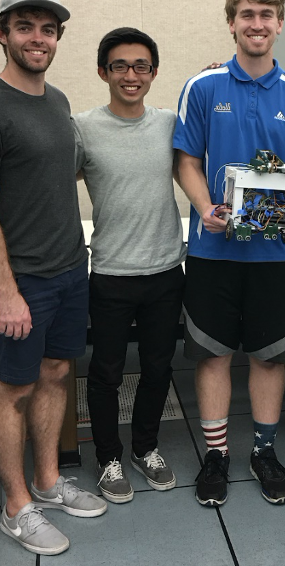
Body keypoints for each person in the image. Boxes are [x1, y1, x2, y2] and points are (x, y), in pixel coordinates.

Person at [0, 0, 106, 556]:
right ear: (2, 33)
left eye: (47, 28)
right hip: (24, 282)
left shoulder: (57, 101)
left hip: (69, 268)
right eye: (25, 27)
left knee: (57, 373)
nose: (37, 38)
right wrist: (7, 291)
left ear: (57, 37)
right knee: (13, 387)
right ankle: (16, 505)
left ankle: (47, 480)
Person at [173, 0, 285, 507]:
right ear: (232, 22)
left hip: (275, 254)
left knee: (269, 357)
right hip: (214, 250)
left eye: (267, 15)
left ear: (280, 24)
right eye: (247, 15)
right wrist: (202, 207)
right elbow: (186, 160)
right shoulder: (203, 87)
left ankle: (263, 451)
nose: (257, 24)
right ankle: (217, 455)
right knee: (212, 356)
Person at [74, 28, 186, 504]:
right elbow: (50, 181)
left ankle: (145, 447)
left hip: (164, 270)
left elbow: (204, 160)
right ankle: (108, 458)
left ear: (153, 73)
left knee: (159, 367)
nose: (130, 75)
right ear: (103, 72)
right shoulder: (81, 127)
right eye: (119, 66)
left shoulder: (170, 123)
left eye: (141, 66)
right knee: (105, 372)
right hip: (112, 273)